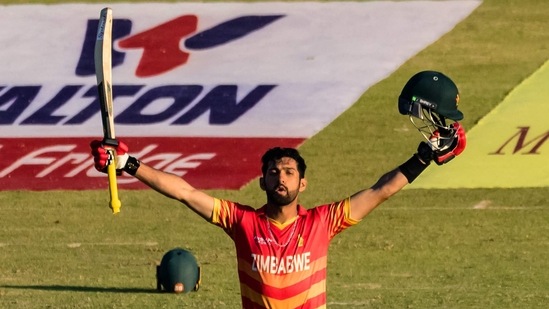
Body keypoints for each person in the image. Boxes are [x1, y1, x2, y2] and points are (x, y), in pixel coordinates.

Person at [90, 70, 466, 308]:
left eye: (288, 171)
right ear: (262, 181)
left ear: (303, 183)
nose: (280, 177)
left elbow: (381, 190)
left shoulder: (323, 222)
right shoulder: (241, 222)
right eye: (273, 172)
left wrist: (424, 156)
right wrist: (129, 165)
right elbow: (185, 192)